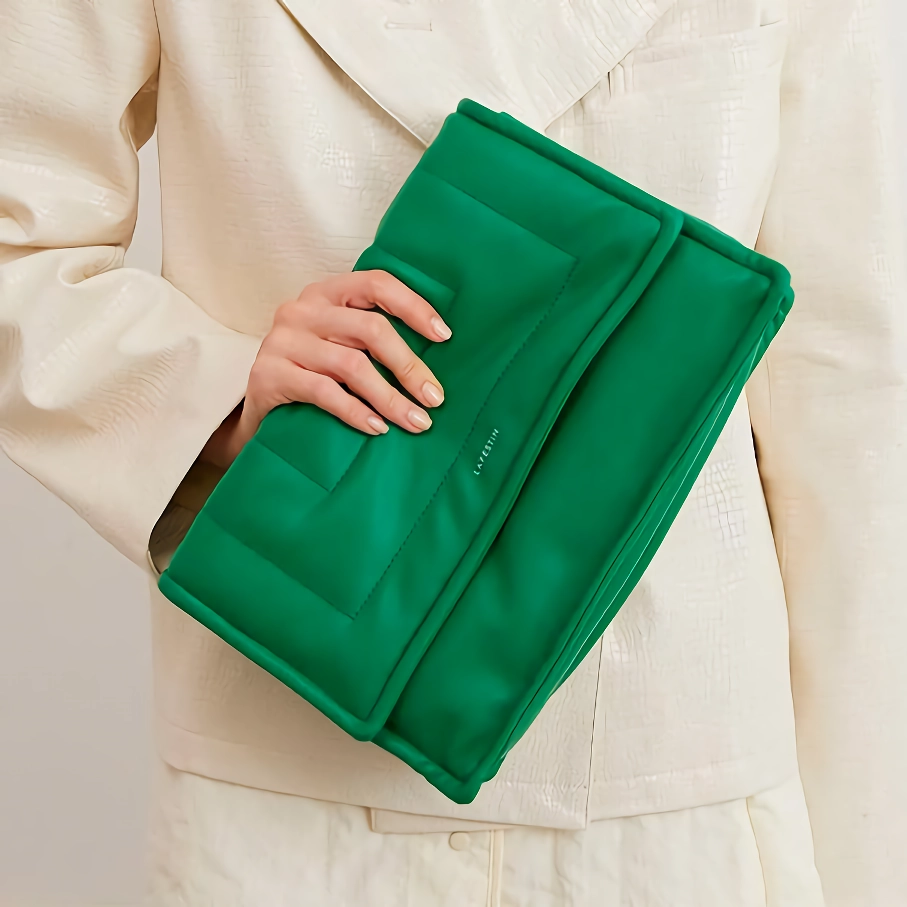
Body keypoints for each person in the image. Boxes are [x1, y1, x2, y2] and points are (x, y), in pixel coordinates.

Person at [1, 1, 904, 904]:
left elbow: (848, 386)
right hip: (285, 765)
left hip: (676, 771)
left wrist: (866, 855)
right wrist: (224, 400)